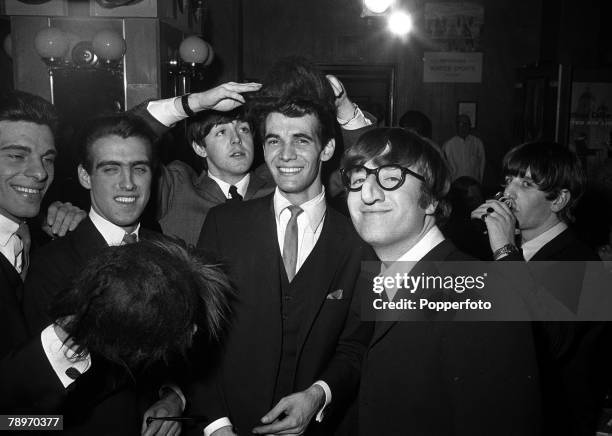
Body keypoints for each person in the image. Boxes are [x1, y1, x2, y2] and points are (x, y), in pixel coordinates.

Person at [192, 95, 374, 436]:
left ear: (328, 148)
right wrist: (216, 424)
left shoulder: (359, 241)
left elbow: (355, 346)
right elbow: (199, 335)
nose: (285, 155)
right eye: (274, 141)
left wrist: (319, 395)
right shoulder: (223, 224)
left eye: (301, 140)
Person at [342, 127, 542, 435]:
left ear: (431, 200)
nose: (366, 193)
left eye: (391, 176)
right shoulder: (373, 275)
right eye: (357, 179)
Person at [22, 113, 186, 435]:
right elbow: (37, 392)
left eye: (139, 168)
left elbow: (188, 361)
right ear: (85, 176)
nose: (128, 183)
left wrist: (173, 397)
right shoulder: (51, 265)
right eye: (111, 168)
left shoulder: (173, 253)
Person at [471, 141, 611, 436]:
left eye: (525, 183)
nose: (508, 192)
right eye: (509, 180)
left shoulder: (579, 260)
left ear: (558, 200)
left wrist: (504, 251)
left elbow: (549, 339)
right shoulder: (513, 252)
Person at [0, 90, 88, 410]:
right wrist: (79, 326)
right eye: (17, 155)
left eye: (47, 158)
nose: (40, 173)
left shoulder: (44, 235)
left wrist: (85, 238)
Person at [442, 113, 485, 182]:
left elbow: (482, 164)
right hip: (455, 184)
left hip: (473, 183)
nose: (464, 127)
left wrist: (480, 182)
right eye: (461, 124)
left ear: (470, 126)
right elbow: (444, 168)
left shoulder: (477, 143)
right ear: (456, 126)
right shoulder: (448, 145)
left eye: (466, 124)